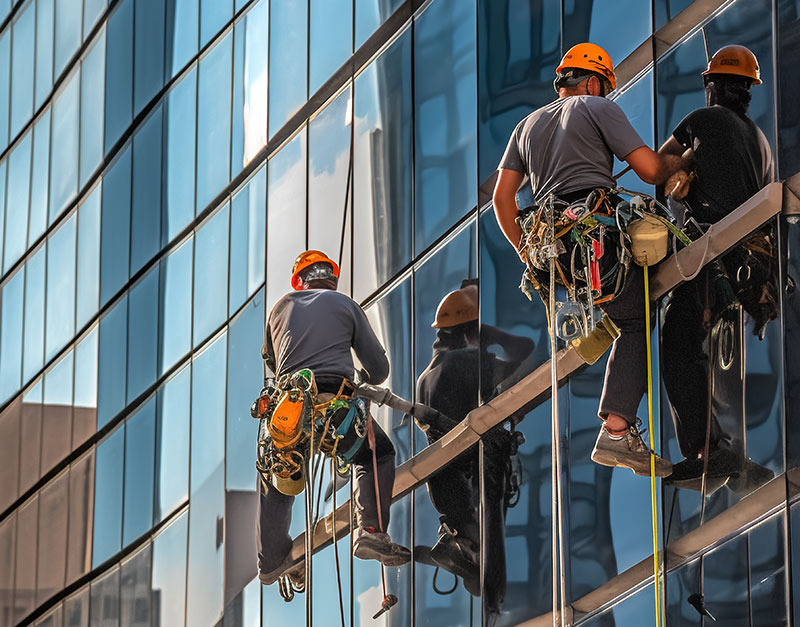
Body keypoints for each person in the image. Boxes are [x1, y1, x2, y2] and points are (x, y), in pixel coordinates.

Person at [492, 42, 690, 477]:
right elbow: (650, 172)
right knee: (639, 315)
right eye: (605, 88)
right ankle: (617, 432)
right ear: (595, 81)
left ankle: (607, 357)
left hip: (557, 251)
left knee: (618, 311)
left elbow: (502, 198)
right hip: (595, 234)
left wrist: (525, 249)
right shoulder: (596, 107)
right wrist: (679, 164)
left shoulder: (525, 126)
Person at [657, 45, 776, 488]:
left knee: (678, 348)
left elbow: (656, 169)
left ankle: (712, 452)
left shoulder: (702, 121)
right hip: (747, 268)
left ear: (711, 86)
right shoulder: (760, 143)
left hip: (712, 258)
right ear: (748, 90)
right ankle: (733, 462)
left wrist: (685, 165)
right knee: (698, 351)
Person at [257, 250, 410, 588]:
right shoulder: (344, 304)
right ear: (333, 278)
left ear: (299, 280)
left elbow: (271, 359)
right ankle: (371, 530)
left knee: (278, 467)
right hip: (336, 406)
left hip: (291, 406)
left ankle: (270, 560)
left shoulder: (279, 308)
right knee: (376, 454)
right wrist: (361, 376)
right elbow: (380, 371)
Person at [415, 283, 532, 620]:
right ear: (470, 332)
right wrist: (491, 334)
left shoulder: (427, 376)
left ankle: (489, 598)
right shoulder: (465, 361)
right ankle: (495, 606)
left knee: (482, 574)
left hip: (449, 488)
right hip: (474, 480)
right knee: (491, 556)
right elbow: (523, 352)